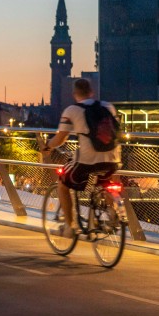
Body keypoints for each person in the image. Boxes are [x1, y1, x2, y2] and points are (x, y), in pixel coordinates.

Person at [39, 77, 121, 237]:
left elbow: (60, 139)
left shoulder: (72, 110)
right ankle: (112, 213)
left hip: (87, 160)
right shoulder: (108, 107)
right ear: (91, 92)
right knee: (105, 182)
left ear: (74, 93)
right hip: (112, 158)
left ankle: (70, 226)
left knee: (63, 183)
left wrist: (48, 145)